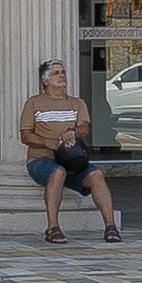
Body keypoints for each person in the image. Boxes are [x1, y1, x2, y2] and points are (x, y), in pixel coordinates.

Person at [18, 60, 124, 242]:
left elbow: (84, 128)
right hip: (41, 160)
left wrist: (72, 131)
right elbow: (25, 136)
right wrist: (48, 143)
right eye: (56, 73)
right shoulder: (34, 103)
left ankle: (110, 227)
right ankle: (52, 228)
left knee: (97, 174)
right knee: (57, 172)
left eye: (63, 72)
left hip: (73, 160)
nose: (61, 76)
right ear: (45, 81)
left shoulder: (77, 103)